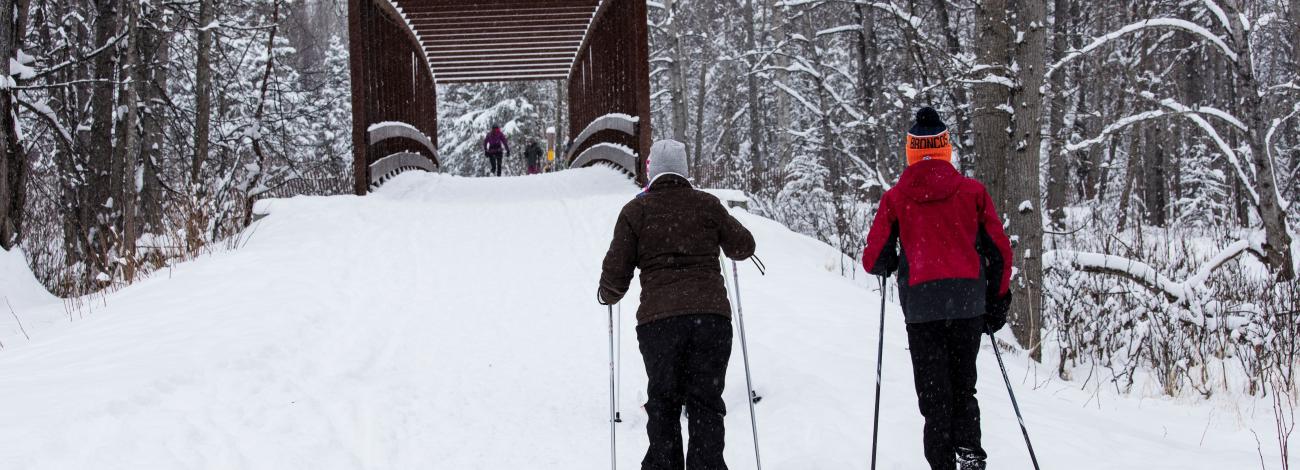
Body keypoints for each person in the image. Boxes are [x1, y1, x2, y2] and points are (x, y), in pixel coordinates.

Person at [860, 107, 1014, 470]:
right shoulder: (971, 192)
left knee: (933, 396)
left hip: (923, 307)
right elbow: (1000, 251)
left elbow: (873, 260)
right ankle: (970, 454)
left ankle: (942, 463)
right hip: (967, 303)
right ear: (946, 148)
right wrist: (997, 300)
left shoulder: (897, 198)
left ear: (911, 150)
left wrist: (893, 261)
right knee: (964, 387)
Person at [597, 139, 756, 470]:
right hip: (711, 320)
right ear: (685, 171)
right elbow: (743, 245)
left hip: (659, 325)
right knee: (706, 402)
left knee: (664, 402)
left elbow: (616, 273)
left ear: (651, 170)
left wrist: (608, 293)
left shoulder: (635, 211)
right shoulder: (707, 205)